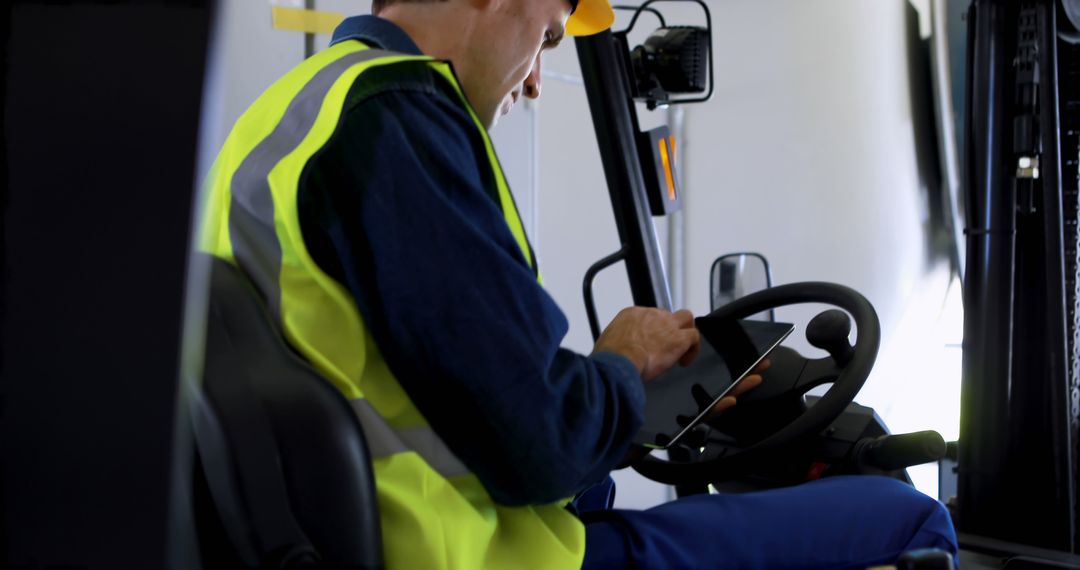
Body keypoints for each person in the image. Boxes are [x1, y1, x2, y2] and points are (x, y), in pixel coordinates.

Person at [199, 0, 959, 567]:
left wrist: (621, 394)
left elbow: (466, 402)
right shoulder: (394, 116)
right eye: (548, 36)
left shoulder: (291, 116)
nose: (534, 78)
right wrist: (622, 368)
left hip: (406, 527)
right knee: (906, 516)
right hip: (472, 555)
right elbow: (540, 444)